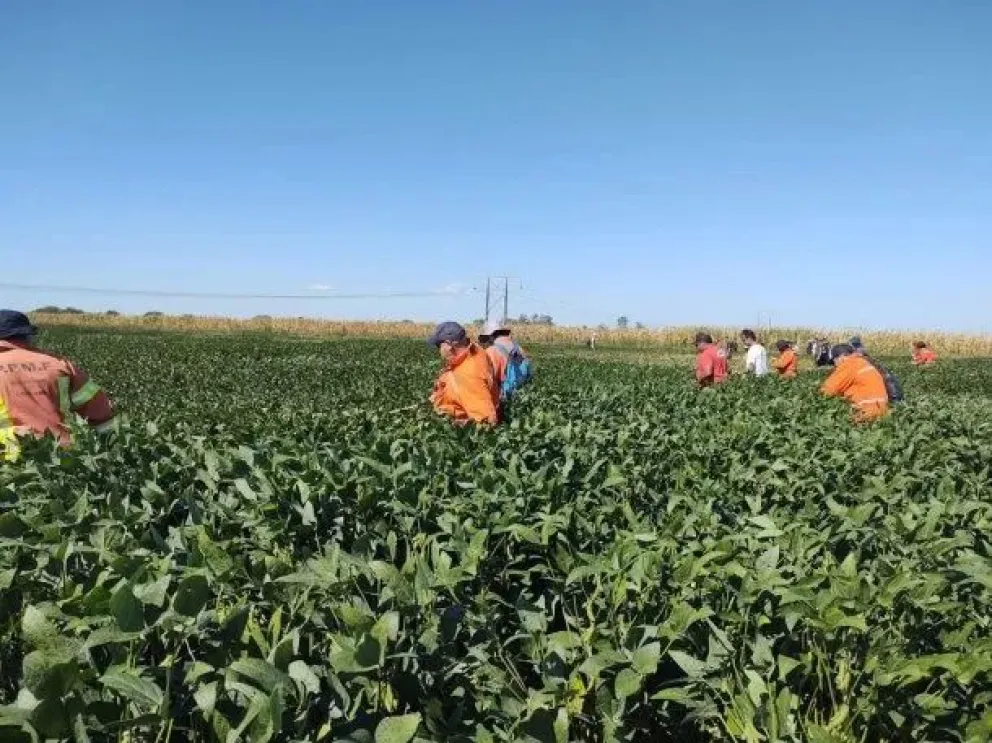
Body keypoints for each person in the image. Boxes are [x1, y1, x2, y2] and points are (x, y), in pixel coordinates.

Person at [0, 310, 115, 460]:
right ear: (27, 336)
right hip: (60, 461)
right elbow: (100, 411)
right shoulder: (58, 364)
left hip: (8, 460)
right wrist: (111, 453)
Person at [427, 321, 499, 425]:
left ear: (449, 345)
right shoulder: (475, 351)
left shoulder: (468, 375)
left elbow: (486, 421)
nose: (439, 350)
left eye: (439, 345)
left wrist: (454, 425)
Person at [820, 343, 889, 423]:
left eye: (834, 361)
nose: (835, 365)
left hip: (865, 413)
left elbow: (828, 390)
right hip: (882, 412)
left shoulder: (849, 364)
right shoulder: (862, 362)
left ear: (841, 358)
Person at [484, 319, 532, 400]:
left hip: (503, 401)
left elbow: (488, 381)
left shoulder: (492, 351)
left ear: (491, 335)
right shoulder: (519, 348)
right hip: (522, 398)